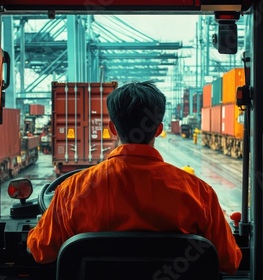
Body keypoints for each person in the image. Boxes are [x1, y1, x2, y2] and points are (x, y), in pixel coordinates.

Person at [27, 81, 242, 275]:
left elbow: (40, 252)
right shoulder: (199, 193)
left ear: (112, 128)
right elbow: (230, 262)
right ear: (158, 130)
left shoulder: (71, 190)